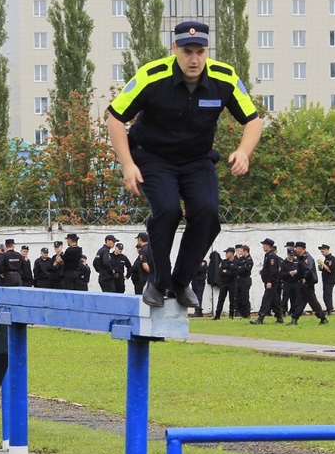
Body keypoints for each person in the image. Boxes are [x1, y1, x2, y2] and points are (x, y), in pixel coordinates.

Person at [108, 20, 262, 308]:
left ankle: (181, 281)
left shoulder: (224, 77)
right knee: (167, 210)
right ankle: (158, 281)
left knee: (207, 212)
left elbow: (253, 121)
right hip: (153, 157)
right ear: (175, 48)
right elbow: (115, 118)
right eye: (188, 51)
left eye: (200, 51)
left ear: (207, 50)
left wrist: (244, 151)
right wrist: (127, 164)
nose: (194, 59)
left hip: (196, 159)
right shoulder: (151, 76)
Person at [289, 242, 327, 325]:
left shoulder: (307, 257)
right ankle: (294, 319)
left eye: (297, 248)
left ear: (301, 248)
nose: (295, 249)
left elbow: (308, 269)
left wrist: (304, 278)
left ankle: (323, 318)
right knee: (300, 301)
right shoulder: (301, 257)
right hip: (302, 283)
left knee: (312, 301)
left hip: (307, 283)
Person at [251, 238, 283, 324]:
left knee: (266, 299)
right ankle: (279, 317)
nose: (263, 247)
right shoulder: (267, 255)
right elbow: (268, 268)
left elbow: (273, 271)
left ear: (268, 246)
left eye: (264, 245)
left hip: (271, 282)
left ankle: (260, 318)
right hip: (268, 281)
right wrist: (263, 271)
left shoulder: (272, 256)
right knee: (275, 300)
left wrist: (270, 281)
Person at [214, 246, 237, 319]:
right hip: (224, 283)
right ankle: (217, 315)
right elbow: (220, 271)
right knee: (221, 299)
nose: (226, 254)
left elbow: (235, 274)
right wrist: (228, 272)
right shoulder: (223, 261)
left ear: (231, 253)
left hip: (232, 283)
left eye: (227, 253)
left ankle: (231, 315)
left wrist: (226, 271)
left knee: (232, 299)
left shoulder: (236, 262)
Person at [234, 245, 254, 319]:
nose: (240, 253)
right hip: (239, 280)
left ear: (245, 251)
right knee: (238, 297)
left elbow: (243, 269)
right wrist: (238, 267)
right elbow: (235, 266)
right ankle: (241, 313)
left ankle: (246, 313)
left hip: (245, 280)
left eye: (242, 251)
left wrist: (239, 267)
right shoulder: (242, 259)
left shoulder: (249, 260)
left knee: (244, 297)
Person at [318, 244, 335, 315]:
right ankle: (328, 308)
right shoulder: (326, 259)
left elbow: (330, 270)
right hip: (325, 280)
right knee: (325, 295)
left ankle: (330, 309)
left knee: (327, 295)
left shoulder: (332, 259)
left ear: (327, 250)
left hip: (330, 280)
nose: (322, 253)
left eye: (323, 251)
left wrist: (322, 264)